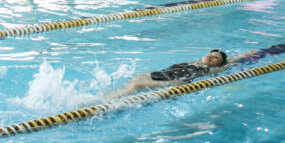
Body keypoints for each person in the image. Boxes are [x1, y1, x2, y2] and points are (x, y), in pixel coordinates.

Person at [106, 49, 250, 99]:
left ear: (219, 64)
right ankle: (107, 98)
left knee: (138, 85)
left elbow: (231, 61)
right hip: (161, 74)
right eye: (211, 54)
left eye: (215, 58)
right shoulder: (197, 61)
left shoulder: (213, 69)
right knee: (136, 78)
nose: (211, 57)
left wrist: (246, 55)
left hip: (177, 82)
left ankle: (110, 101)